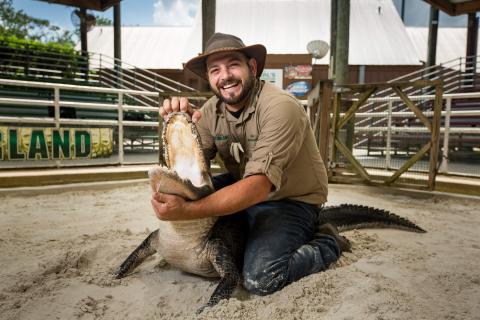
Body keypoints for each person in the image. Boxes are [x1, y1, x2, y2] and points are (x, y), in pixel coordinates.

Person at [152, 32, 350, 296]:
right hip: (243, 185)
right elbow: (185, 173)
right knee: (178, 191)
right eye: (215, 70)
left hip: (289, 199)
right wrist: (178, 127)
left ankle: (327, 240)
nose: (225, 76)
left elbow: (258, 187)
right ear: (209, 78)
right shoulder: (211, 110)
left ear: (252, 67)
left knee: (262, 278)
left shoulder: (280, 106)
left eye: (233, 64)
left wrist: (187, 212)